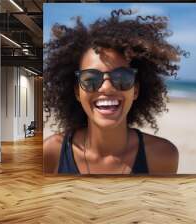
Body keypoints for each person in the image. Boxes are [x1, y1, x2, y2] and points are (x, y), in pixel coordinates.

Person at [43, 9, 188, 175]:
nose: (106, 87)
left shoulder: (162, 156)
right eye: (90, 79)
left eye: (122, 77)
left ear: (136, 90)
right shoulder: (51, 153)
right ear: (77, 91)